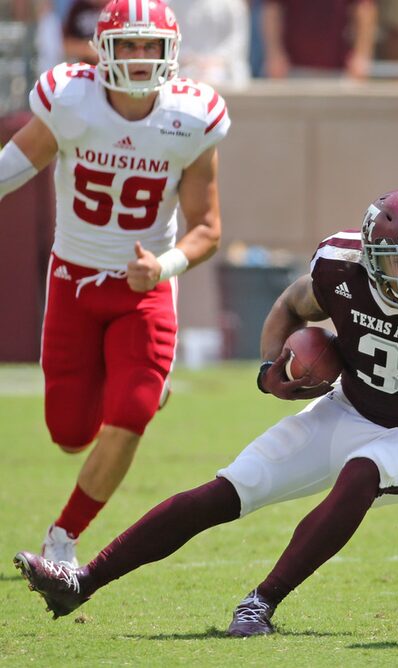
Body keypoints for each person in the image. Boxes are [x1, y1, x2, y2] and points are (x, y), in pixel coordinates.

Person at [13, 189, 398, 636]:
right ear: (373, 258)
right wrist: (270, 371)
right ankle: (81, 583)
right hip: (344, 410)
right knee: (225, 491)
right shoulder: (339, 269)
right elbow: (290, 305)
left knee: (364, 470)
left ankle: (261, 601)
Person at [0, 0, 230, 568]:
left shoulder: (190, 117)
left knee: (130, 413)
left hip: (143, 289)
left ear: (169, 52)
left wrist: (165, 266)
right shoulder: (72, 101)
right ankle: (139, 384)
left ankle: (63, 538)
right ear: (101, 49)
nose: (137, 56)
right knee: (71, 434)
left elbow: (207, 228)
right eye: (126, 44)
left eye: (148, 45)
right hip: (73, 283)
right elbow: (17, 162)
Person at [260, 0, 378, 79]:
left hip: (340, 69)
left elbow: (364, 7)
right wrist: (274, 53)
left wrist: (362, 55)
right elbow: (272, 8)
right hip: (292, 69)